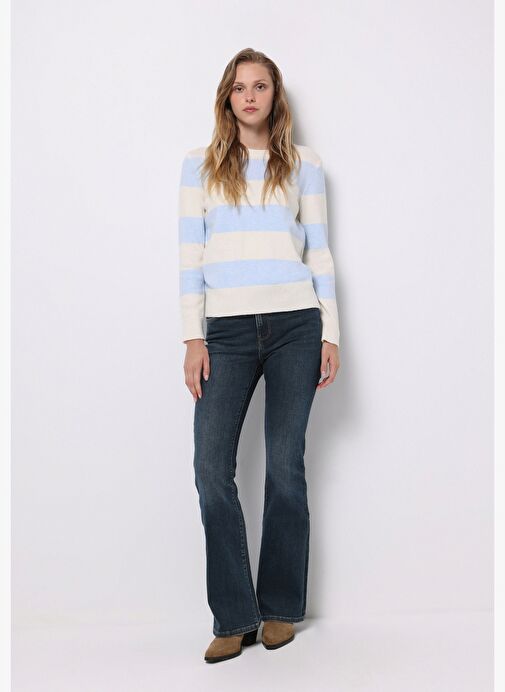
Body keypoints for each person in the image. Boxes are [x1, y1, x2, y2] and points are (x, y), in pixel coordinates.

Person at [178, 48, 341, 663]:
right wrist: (192, 337)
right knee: (210, 469)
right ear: (227, 97)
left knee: (284, 467)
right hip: (225, 331)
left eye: (261, 86)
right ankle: (234, 616)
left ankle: (278, 608)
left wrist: (331, 333)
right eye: (240, 87)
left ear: (275, 96)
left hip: (297, 324)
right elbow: (190, 257)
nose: (250, 96)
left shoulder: (304, 164)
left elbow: (319, 250)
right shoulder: (198, 166)